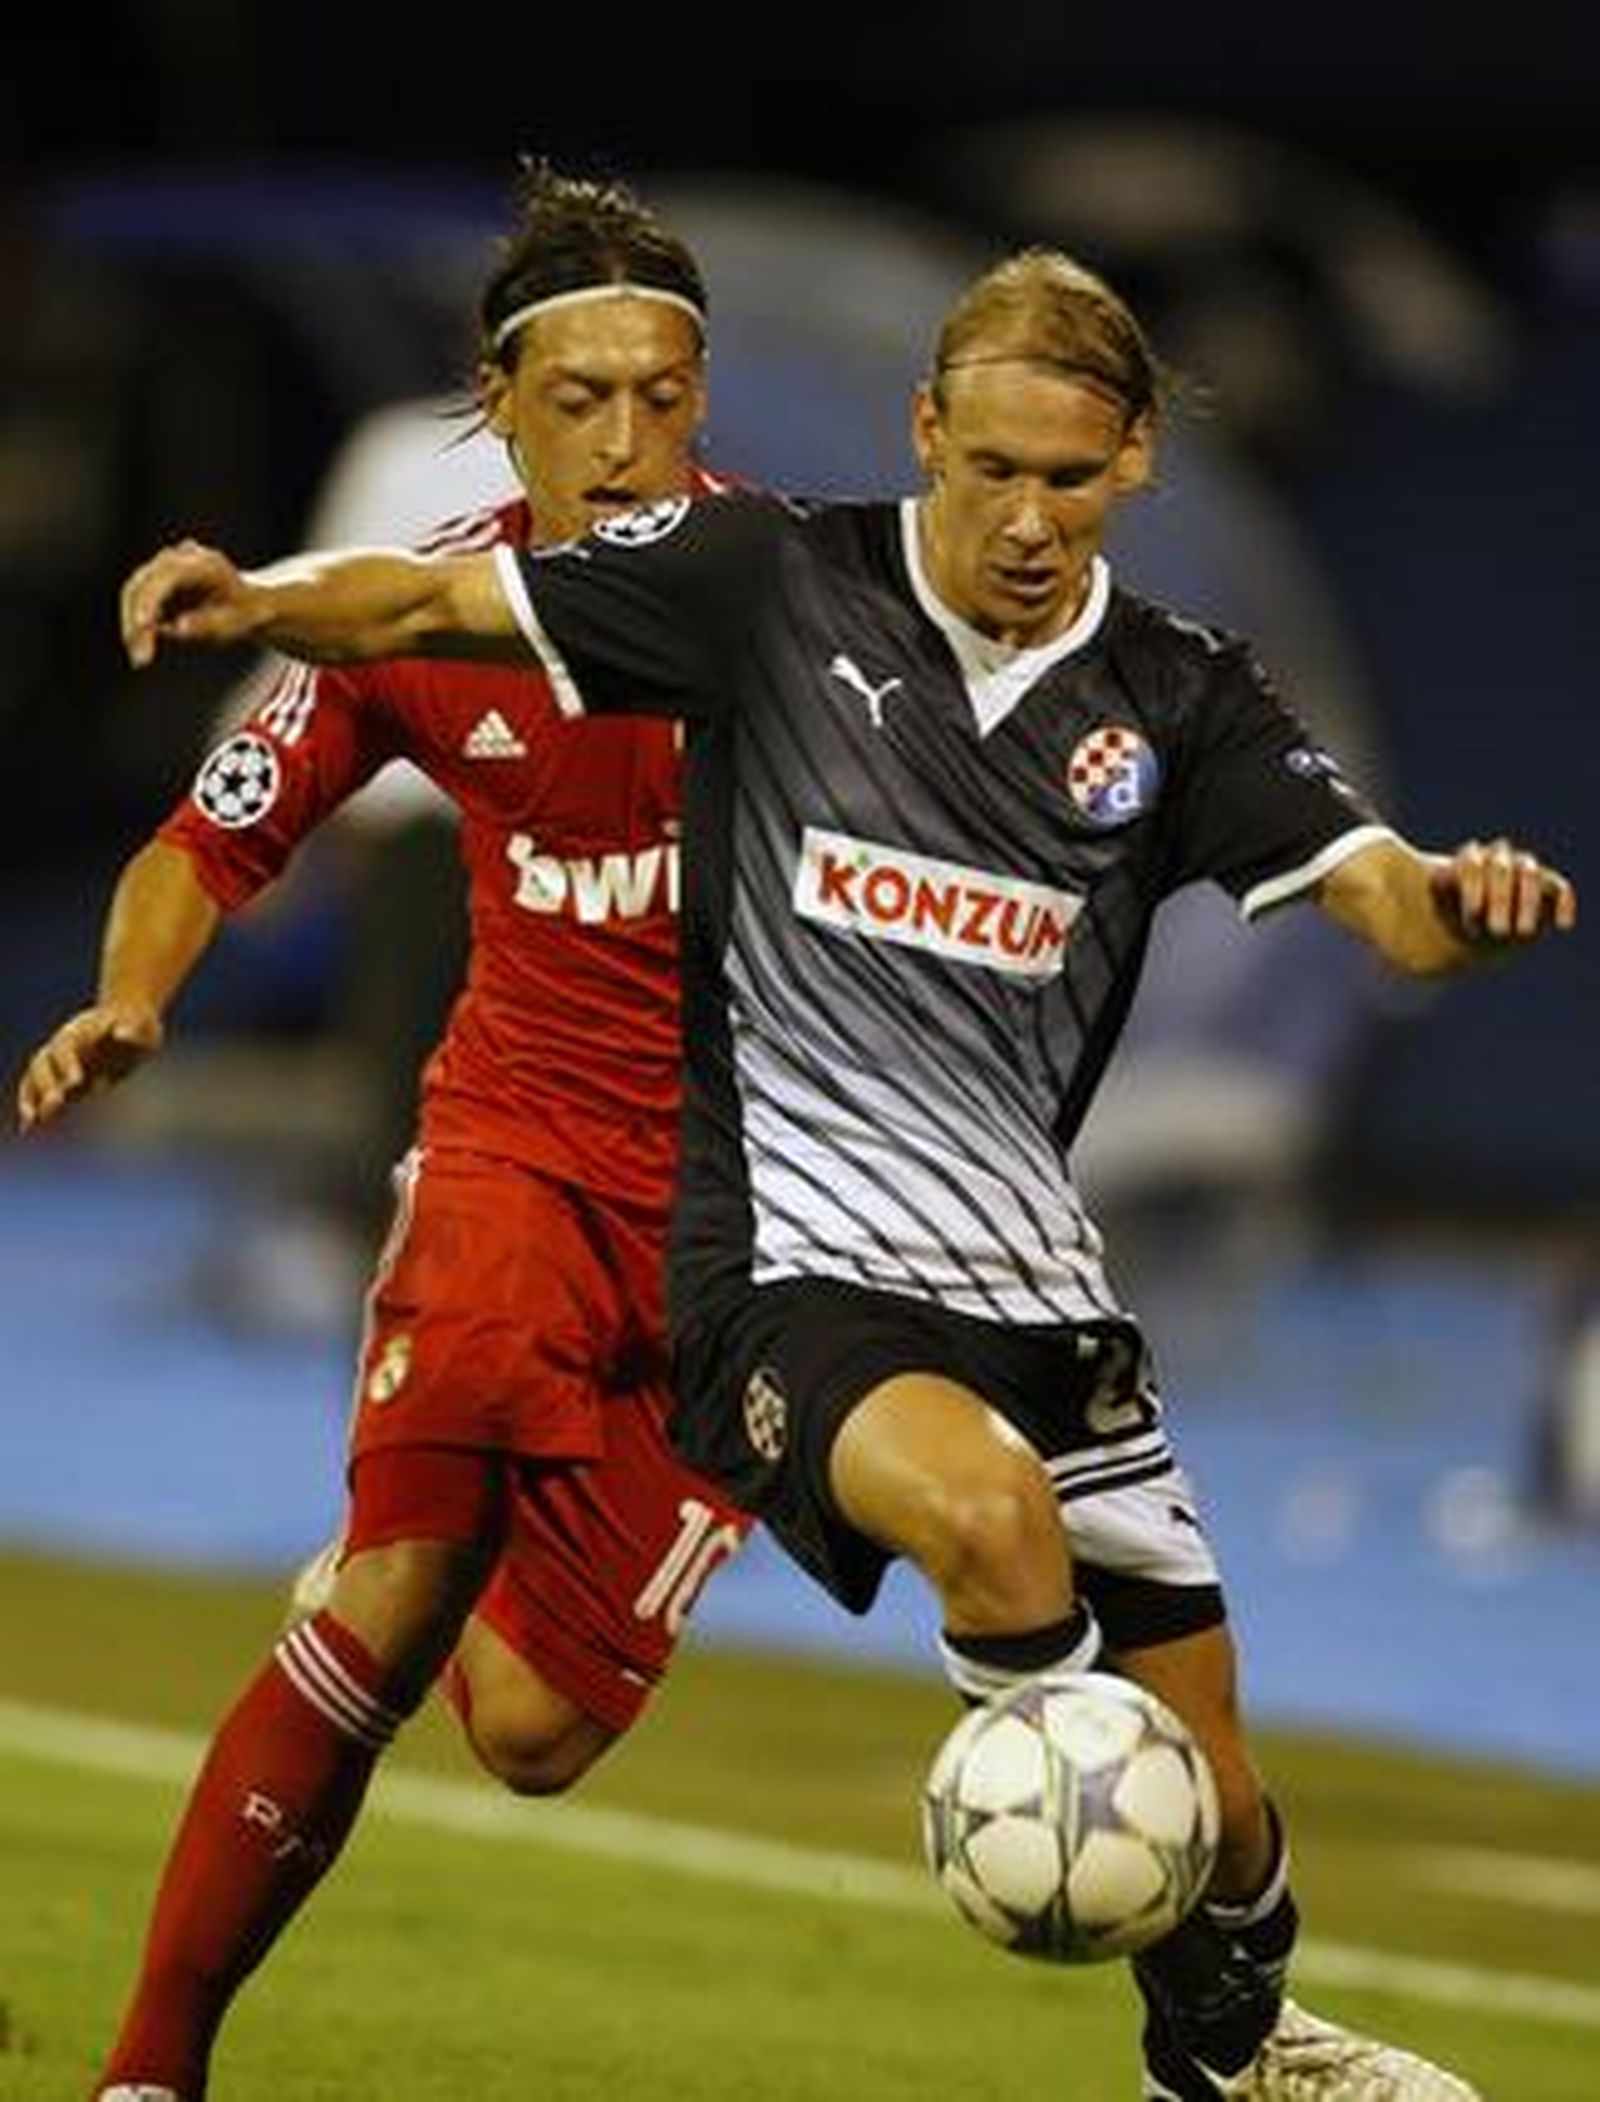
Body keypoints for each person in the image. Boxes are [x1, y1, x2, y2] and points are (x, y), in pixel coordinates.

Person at [116, 245, 1579, 2102]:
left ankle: (1227, 2052)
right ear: (925, 437)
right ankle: (1023, 1794)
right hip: (773, 1268)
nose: (1028, 518)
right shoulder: (771, 583)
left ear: (1135, 462)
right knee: (984, 1528)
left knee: (1210, 1809)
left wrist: (1451, 906)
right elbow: (432, 601)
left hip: (1031, 1283)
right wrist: (264, 598)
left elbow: (1380, 888)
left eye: (1068, 476)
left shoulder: (1179, 699)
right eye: (991, 469)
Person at [18, 162, 752, 2102]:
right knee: (404, 1595)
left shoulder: (803, 604)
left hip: (741, 1235)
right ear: (501, 410)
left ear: (704, 401)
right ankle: (147, 2073)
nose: (622, 441)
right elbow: (212, 829)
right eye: (576, 400)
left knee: (524, 1727)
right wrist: (136, 997)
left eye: (659, 396)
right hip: (512, 1158)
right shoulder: (421, 609)